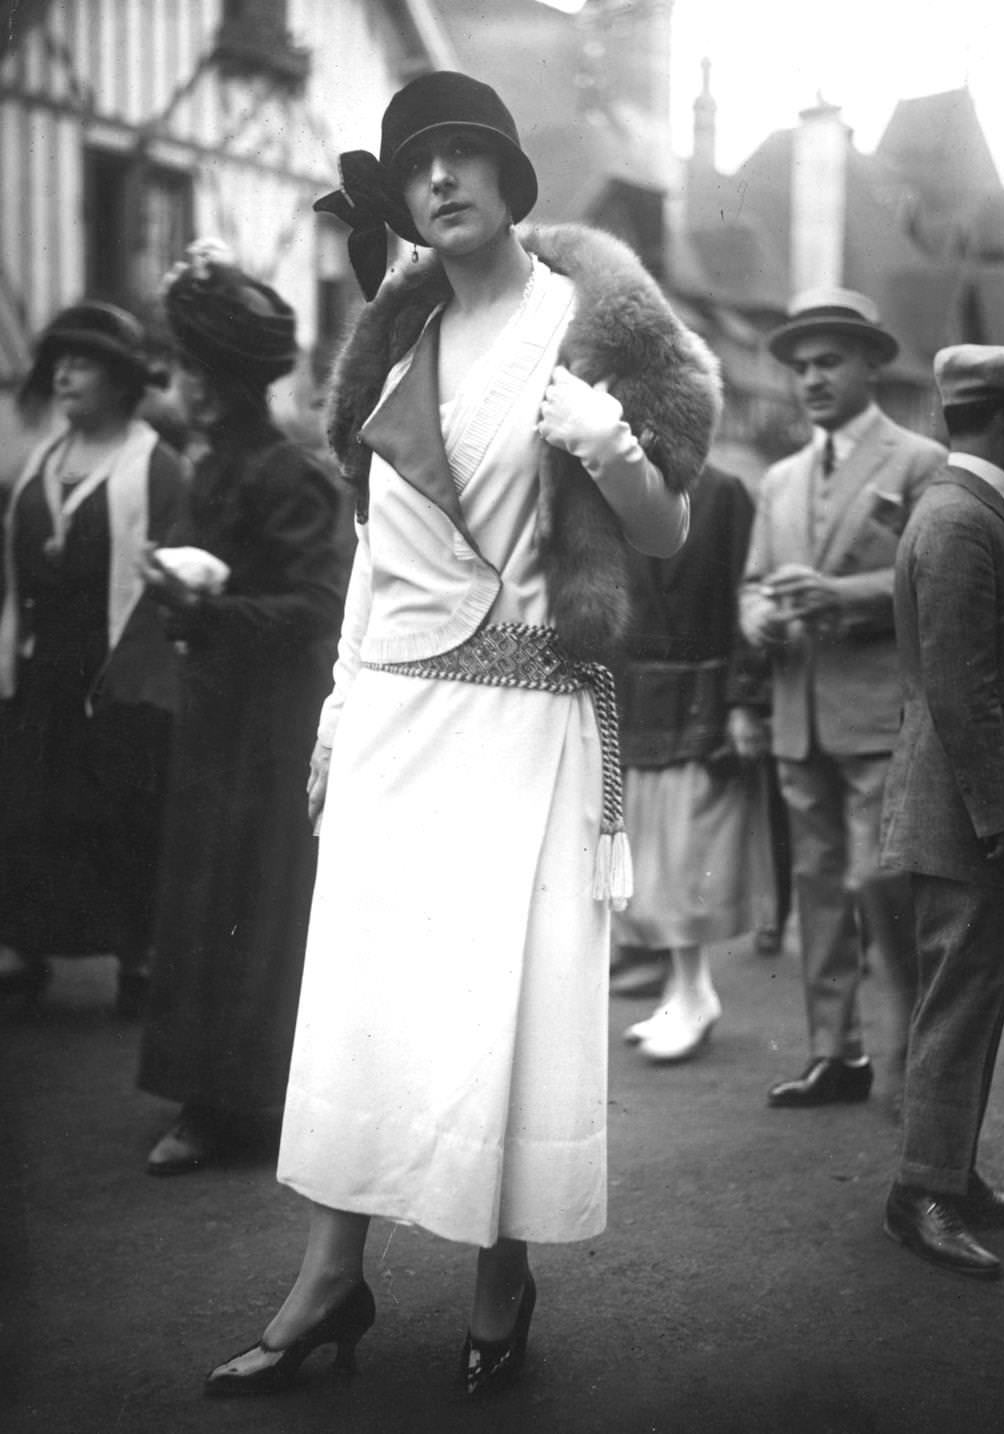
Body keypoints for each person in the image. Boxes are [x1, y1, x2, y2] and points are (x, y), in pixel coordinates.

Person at [204, 71, 720, 1400]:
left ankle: (501, 1272)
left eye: (462, 154)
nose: (439, 179)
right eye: (416, 162)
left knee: (503, 1004)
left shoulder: (591, 328)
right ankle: (332, 1277)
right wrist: (335, 712)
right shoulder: (398, 334)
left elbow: (663, 529)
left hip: (527, 715)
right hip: (393, 711)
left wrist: (607, 441)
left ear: (506, 174)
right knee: (365, 1004)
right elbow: (378, 558)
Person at [137, 243, 346, 1174]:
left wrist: (210, 611)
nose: (176, 386)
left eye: (186, 371)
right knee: (200, 899)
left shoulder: (289, 473)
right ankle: (204, 1091)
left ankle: (245, 1103)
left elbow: (320, 608)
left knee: (252, 903)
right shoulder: (207, 468)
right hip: (215, 717)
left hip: (271, 727)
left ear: (219, 383)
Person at [740, 288, 944, 1108]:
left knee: (880, 885)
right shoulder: (781, 479)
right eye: (800, 367)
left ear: (870, 364)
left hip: (876, 714)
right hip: (800, 716)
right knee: (819, 893)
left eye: (829, 362)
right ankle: (837, 1054)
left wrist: (841, 596)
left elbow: (938, 585)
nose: (811, 380)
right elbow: (754, 585)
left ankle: (911, 1064)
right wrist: (761, 617)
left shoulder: (918, 462)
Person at [880, 345, 1004, 1278]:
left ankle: (952, 1175)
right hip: (971, 807)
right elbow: (958, 689)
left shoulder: (976, 513)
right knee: (959, 1001)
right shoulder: (957, 522)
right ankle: (921, 1195)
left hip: (978, 802)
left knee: (976, 997)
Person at [0, 302, 186, 1017]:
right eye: (60, 364)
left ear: (122, 379)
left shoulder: (155, 469)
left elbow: (168, 578)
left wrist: (136, 673)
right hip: (45, 670)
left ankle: (138, 956)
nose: (65, 376)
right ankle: (24, 947)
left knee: (122, 817)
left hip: (120, 672)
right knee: (31, 810)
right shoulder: (39, 464)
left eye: (83, 363)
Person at [615, 464, 776, 1062]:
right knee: (652, 855)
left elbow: (746, 595)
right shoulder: (616, 488)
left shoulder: (725, 492)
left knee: (686, 860)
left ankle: (696, 994)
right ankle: (680, 989)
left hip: (703, 696)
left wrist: (744, 700)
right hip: (637, 697)